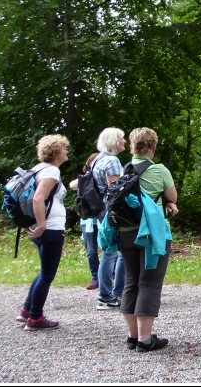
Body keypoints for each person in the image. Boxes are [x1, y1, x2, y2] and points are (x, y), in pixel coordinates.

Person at [120, 127, 178, 352]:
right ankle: (145, 339)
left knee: (131, 281)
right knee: (150, 282)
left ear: (133, 147)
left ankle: (132, 336)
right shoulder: (160, 170)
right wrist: (169, 202)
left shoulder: (124, 169)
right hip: (152, 233)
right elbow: (172, 197)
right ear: (153, 148)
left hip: (125, 232)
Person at [15, 134, 70, 330]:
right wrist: (42, 225)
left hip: (44, 229)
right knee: (47, 275)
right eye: (64, 148)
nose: (67, 151)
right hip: (51, 229)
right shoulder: (52, 171)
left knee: (44, 272)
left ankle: (27, 311)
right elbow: (38, 198)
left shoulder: (38, 169)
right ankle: (35, 319)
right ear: (56, 152)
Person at [91, 127, 127, 310]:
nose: (125, 141)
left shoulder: (98, 159)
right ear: (114, 140)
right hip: (111, 212)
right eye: (122, 138)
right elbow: (115, 191)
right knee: (113, 252)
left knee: (113, 251)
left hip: (101, 210)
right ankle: (107, 296)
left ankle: (114, 293)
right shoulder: (112, 161)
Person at [68, 152, 101, 290]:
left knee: (107, 249)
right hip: (87, 220)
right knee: (91, 250)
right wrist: (90, 175)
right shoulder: (85, 178)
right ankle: (95, 278)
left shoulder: (104, 176)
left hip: (101, 217)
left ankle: (110, 276)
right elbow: (72, 185)